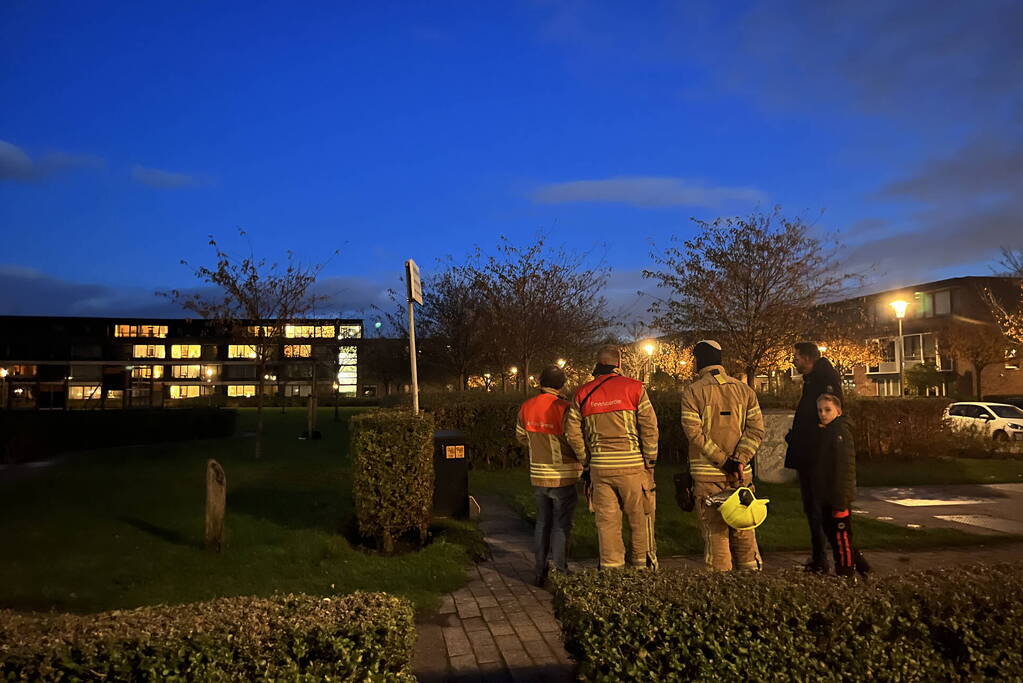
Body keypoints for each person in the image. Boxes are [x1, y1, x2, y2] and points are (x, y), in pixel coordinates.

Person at [564, 345, 659, 570]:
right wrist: (650, 460)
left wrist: (586, 459)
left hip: (600, 467)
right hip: (632, 466)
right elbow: (649, 427)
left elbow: (572, 432)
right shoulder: (635, 388)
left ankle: (611, 568)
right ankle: (640, 566)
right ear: (618, 364)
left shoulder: (582, 393)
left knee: (607, 522)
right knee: (639, 518)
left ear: (598, 364)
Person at [680, 340, 766, 571]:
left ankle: (721, 586)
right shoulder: (745, 390)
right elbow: (756, 430)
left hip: (708, 478)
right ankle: (752, 581)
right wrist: (739, 460)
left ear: (698, 361)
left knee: (715, 533)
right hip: (741, 476)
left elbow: (693, 433)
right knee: (745, 530)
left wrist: (724, 461)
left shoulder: (693, 392)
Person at [515, 365, 582, 586]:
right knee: (562, 525)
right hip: (563, 476)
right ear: (562, 384)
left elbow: (521, 437)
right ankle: (560, 570)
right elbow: (575, 439)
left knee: (542, 523)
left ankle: (539, 571)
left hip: (538, 475)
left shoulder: (526, 407)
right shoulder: (565, 407)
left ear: (540, 382)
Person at [785, 342, 844, 573]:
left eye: (796, 357)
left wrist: (804, 438)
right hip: (810, 451)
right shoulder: (816, 379)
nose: (794, 361)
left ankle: (824, 559)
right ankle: (822, 556)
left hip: (815, 455)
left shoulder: (822, 381)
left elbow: (826, 416)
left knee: (818, 507)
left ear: (807, 358)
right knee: (814, 507)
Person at [814, 393, 870, 578]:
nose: (823, 414)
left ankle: (846, 573)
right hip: (828, 495)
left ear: (838, 411)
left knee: (841, 537)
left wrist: (841, 500)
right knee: (835, 535)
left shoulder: (839, 433)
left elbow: (844, 468)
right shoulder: (828, 432)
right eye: (820, 410)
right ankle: (861, 566)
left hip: (838, 497)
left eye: (827, 410)